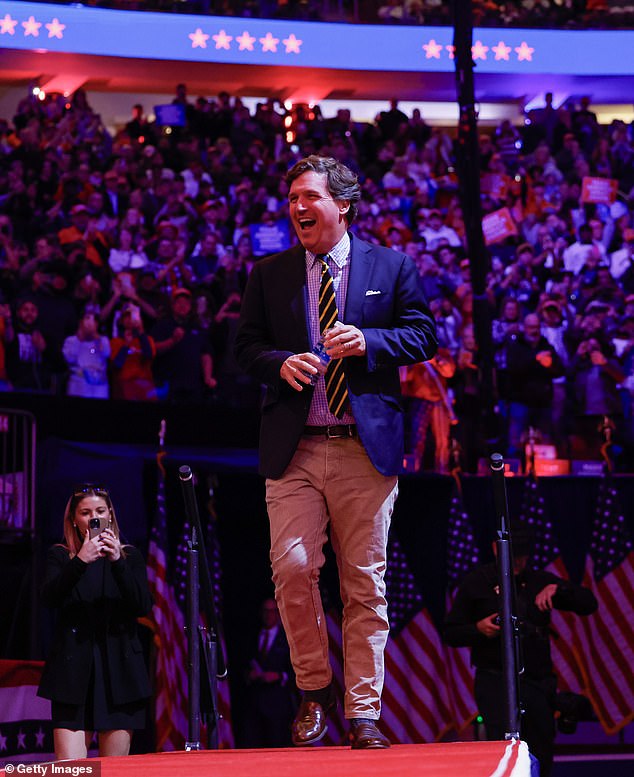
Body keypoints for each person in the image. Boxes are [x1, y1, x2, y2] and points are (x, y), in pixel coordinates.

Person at [234, 154, 437, 749]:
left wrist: (369, 341)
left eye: (310, 197)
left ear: (342, 206)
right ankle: (315, 690)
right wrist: (279, 362)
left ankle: (365, 711)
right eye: (293, 196)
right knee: (293, 570)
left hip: (362, 448)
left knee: (363, 584)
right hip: (294, 449)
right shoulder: (268, 274)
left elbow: (424, 333)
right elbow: (245, 347)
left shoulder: (391, 265)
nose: (298, 206)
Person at [444, 527, 598, 777]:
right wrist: (478, 629)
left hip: (536, 681)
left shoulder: (538, 581)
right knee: (502, 748)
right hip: (495, 679)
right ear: (498, 549)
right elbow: (450, 633)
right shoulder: (477, 582)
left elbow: (589, 604)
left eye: (523, 555)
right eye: (514, 554)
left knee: (541, 749)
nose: (518, 560)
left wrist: (560, 590)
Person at [37, 484, 153, 760]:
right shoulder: (60, 556)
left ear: (110, 515)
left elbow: (142, 606)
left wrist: (116, 561)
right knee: (71, 768)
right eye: (86, 512)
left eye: (100, 511)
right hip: (73, 675)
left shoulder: (129, 557)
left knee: (114, 770)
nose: (94, 518)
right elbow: (48, 599)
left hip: (119, 676)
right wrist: (80, 561)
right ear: (74, 519)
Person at [242, 598, 297, 748]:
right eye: (266, 611)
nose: (269, 615)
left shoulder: (287, 639)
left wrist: (279, 676)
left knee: (277, 743)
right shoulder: (252, 636)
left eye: (272, 611)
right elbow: (243, 663)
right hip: (255, 702)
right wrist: (249, 675)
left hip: (278, 704)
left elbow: (295, 671)